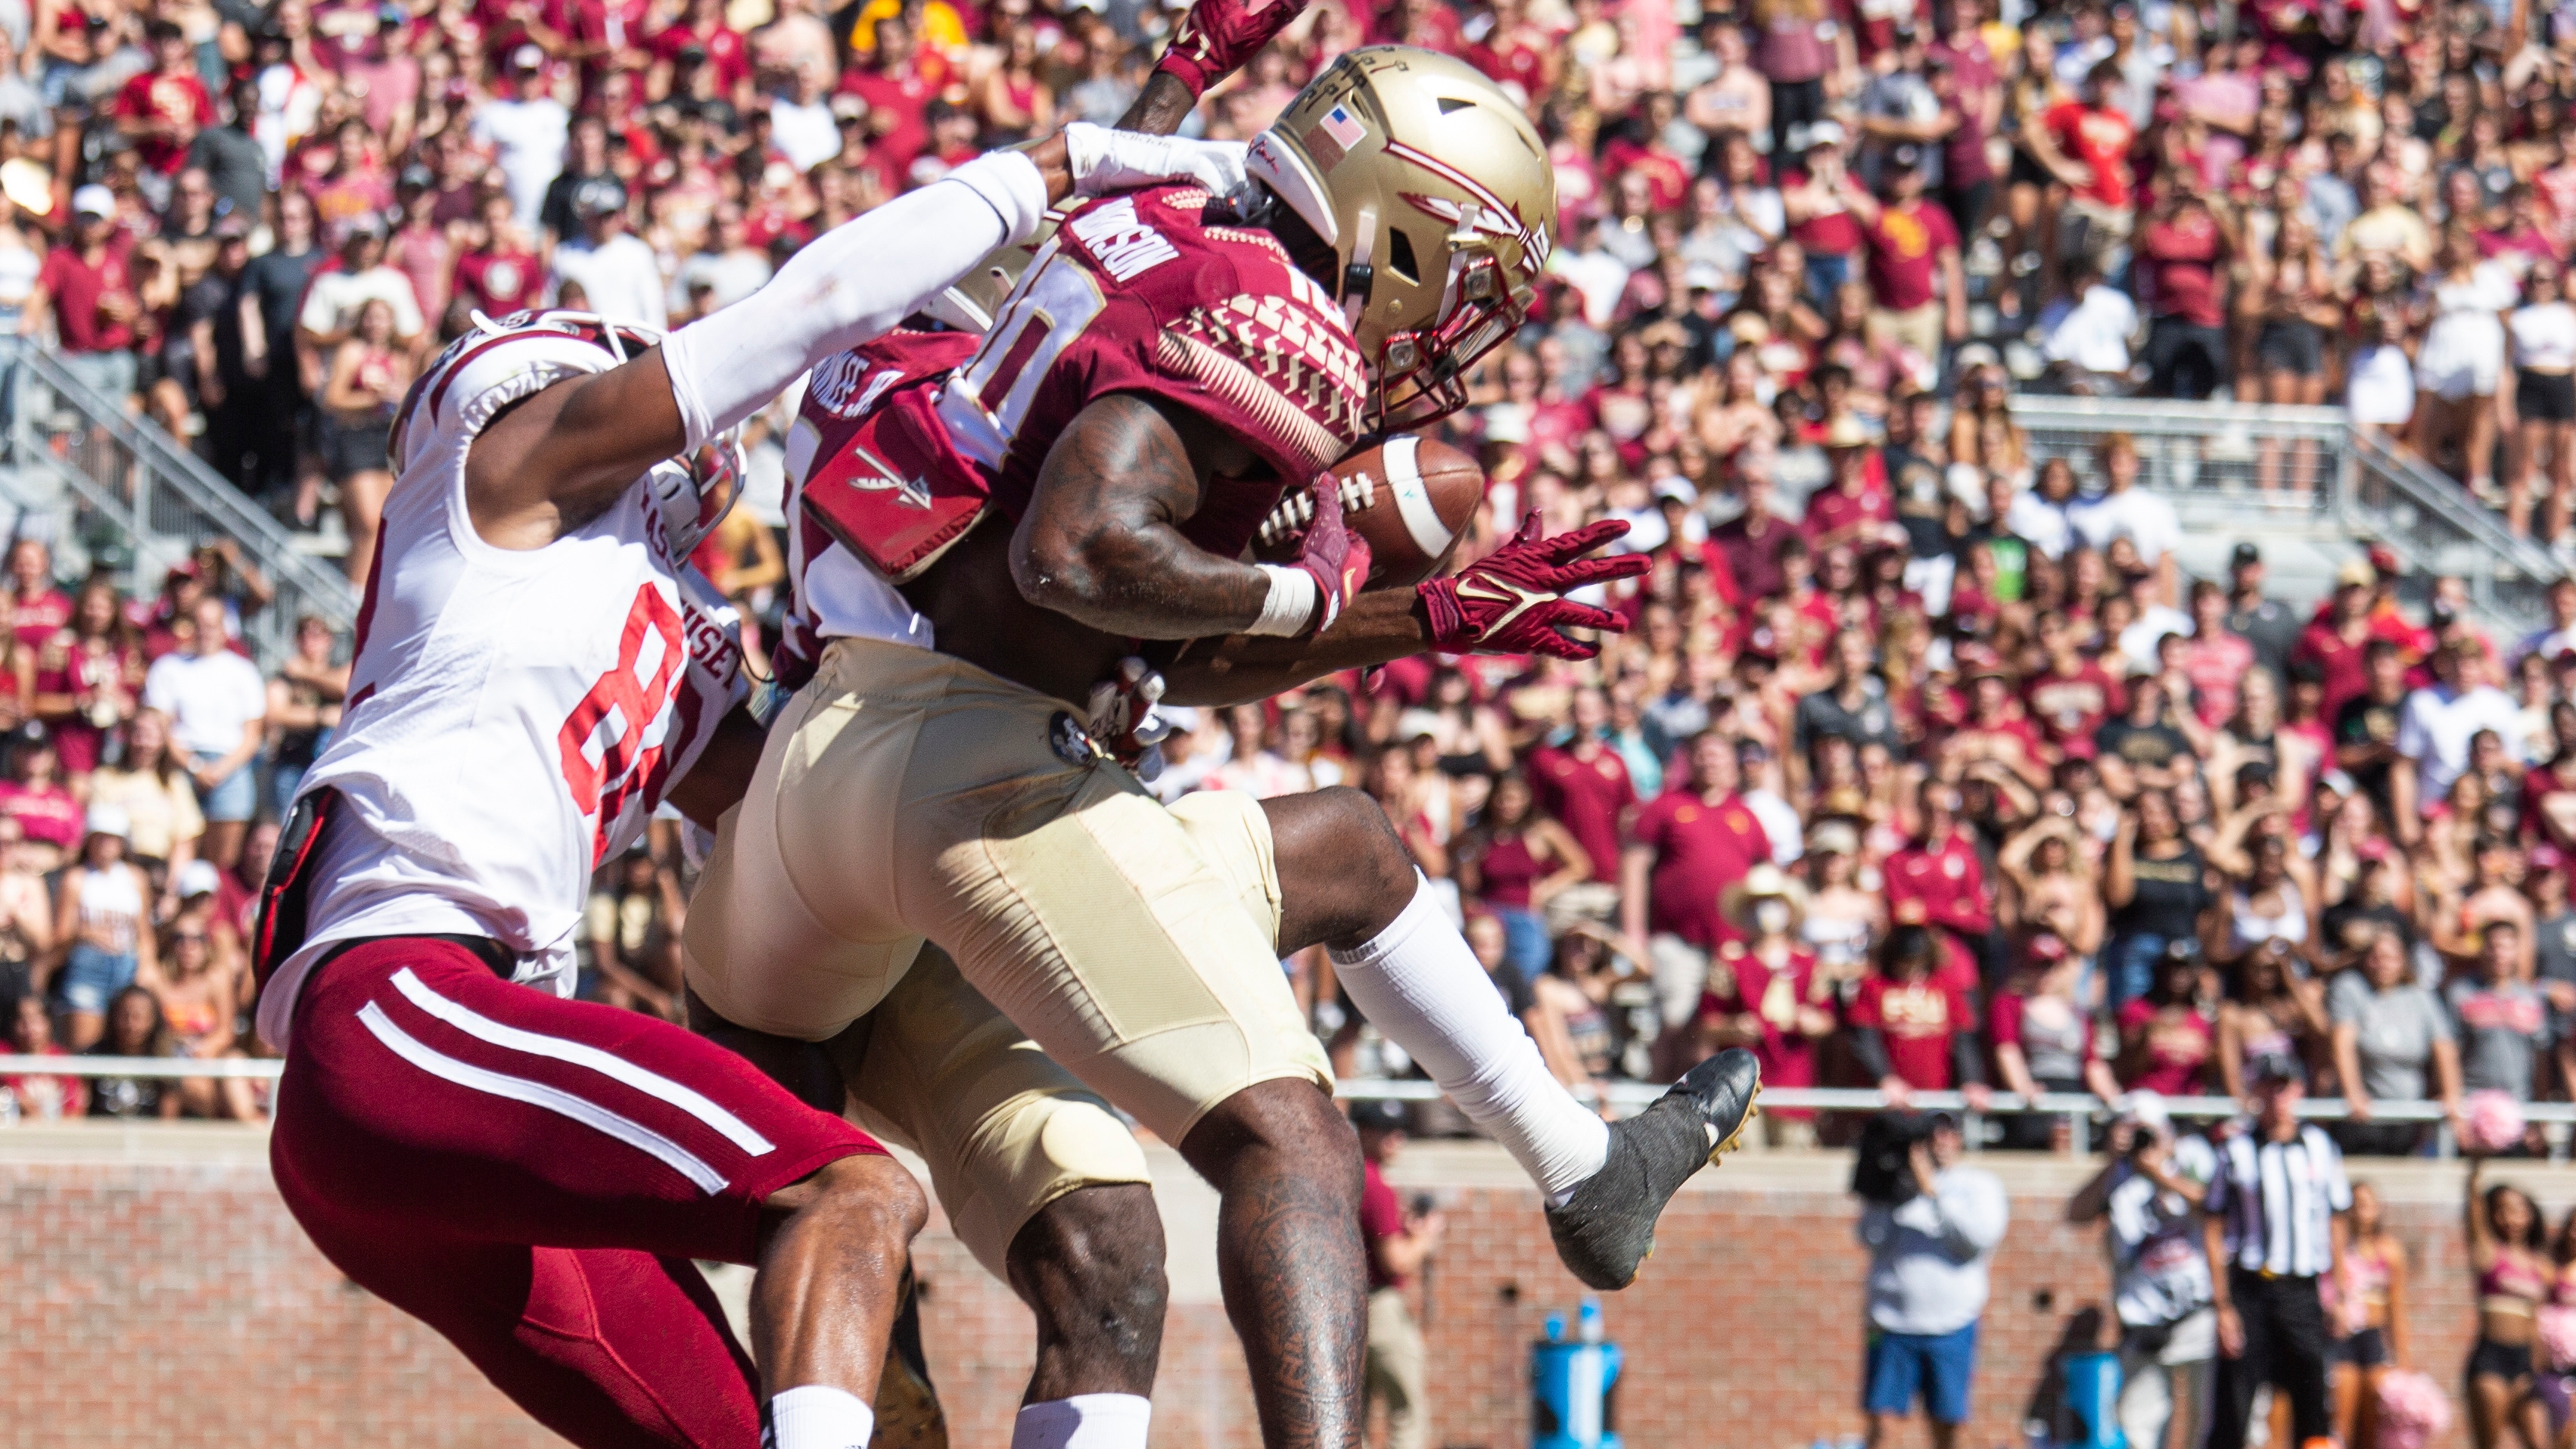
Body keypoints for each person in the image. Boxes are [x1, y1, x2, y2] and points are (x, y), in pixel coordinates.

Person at [690, 68, 1759, 1449]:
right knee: (1294, 1145)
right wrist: (1327, 601)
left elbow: (1107, 582)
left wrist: (1413, 617)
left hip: (809, 786)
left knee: (1314, 895)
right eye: (1460, 277)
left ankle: (1585, 1169)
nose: (1449, 323)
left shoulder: (1146, 233)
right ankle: (1575, 1181)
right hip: (972, 776)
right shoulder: (1278, 321)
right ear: (1403, 224)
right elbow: (1075, 555)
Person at [250, 118, 1252, 1449]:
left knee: (741, 1427)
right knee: (848, 1193)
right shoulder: (503, 492)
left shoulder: (663, 633)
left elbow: (818, 806)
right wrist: (1044, 165)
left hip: (443, 1067)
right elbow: (814, 306)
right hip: (400, 1006)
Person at [2204, 1057, 2350, 1449]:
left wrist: (2339, 1291)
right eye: (2268, 1087)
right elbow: (2213, 1225)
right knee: (2235, 1399)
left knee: (2312, 1397)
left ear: (2299, 1091)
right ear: (2256, 1092)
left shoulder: (2319, 1146)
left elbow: (2336, 1221)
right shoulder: (2235, 1149)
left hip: (2301, 1287)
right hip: (2251, 1287)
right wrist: (2222, 1304)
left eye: (2284, 1086)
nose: (2276, 1097)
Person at [2067, 1098, 2218, 1449]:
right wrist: (2112, 1162)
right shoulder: (2118, 1175)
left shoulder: (2191, 1156)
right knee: (2138, 1424)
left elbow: (2213, 1205)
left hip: (2196, 1309)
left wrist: (2160, 1173)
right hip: (2143, 1316)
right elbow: (2076, 1213)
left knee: (2204, 1419)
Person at [1857, 1111, 2008, 1449]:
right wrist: (1891, 1189)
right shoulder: (1893, 1182)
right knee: (1882, 1425)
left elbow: (1977, 1240)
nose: (1940, 1139)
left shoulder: (1978, 1185)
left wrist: (1932, 1192)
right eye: (1932, 1132)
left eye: (1948, 1131)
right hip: (1891, 1324)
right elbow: (1870, 1238)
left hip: (1952, 1325)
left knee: (1950, 1427)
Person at [142, 592, 266, 870]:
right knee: (176, 849)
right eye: (199, 623)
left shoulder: (244, 671)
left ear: (224, 628)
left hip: (230, 766)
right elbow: (161, 725)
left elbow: (253, 734)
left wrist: (220, 769)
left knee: (223, 861)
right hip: (182, 762)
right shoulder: (168, 668)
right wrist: (194, 766)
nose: (205, 631)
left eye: (212, 624)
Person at [1352, 1097, 1441, 1449]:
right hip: (1381, 1307)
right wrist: (1424, 1237)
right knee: (1406, 1413)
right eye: (1384, 1131)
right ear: (1365, 1133)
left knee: (1351, 1415)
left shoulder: (1349, 1176)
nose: (1396, 1139)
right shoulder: (1376, 1185)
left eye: (1398, 1131)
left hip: (1348, 1308)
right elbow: (1396, 1261)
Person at [48, 804, 157, 1052]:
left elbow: (145, 934)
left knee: (129, 1047)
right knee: (86, 1050)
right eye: (101, 838)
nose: (106, 845)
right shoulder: (76, 879)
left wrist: (146, 967)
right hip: (88, 965)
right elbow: (60, 935)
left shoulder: (137, 879)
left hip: (127, 964)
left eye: (113, 839)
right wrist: (87, 933)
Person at [2463, 1156, 2554, 1449]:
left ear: (2530, 1215)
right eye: (2502, 1210)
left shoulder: (2541, 1265)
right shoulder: (2489, 1253)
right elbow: (2473, 1212)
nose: (2511, 1218)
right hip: (2491, 1361)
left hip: (2527, 1364)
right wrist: (2475, 1170)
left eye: (2518, 1210)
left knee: (2540, 1442)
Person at [2332, 1181, 2411, 1449]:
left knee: (2372, 1425)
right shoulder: (2337, 1250)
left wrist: (2403, 1362)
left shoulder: (2389, 1251)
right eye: (2355, 1205)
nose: (2360, 1212)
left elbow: (2396, 1310)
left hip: (2374, 1339)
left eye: (2367, 1205)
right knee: (2341, 1421)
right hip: (2343, 1341)